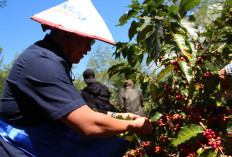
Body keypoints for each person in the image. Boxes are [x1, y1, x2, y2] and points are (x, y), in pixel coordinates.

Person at [0, 1, 152, 157]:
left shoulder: (52, 60)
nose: (89, 48)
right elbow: (88, 123)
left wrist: (118, 116)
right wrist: (132, 125)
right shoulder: (42, 63)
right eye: (88, 40)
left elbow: (77, 110)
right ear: (68, 33)